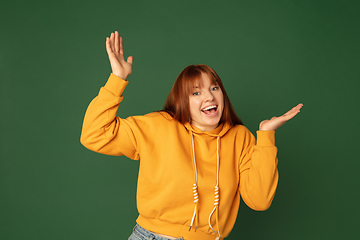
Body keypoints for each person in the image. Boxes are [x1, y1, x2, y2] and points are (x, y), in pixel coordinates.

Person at [80, 31, 303, 240]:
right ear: (182, 101)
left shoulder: (240, 138)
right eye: (196, 92)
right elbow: (94, 135)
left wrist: (265, 136)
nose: (209, 97)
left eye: (214, 88)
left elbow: (259, 200)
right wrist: (118, 79)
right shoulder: (157, 126)